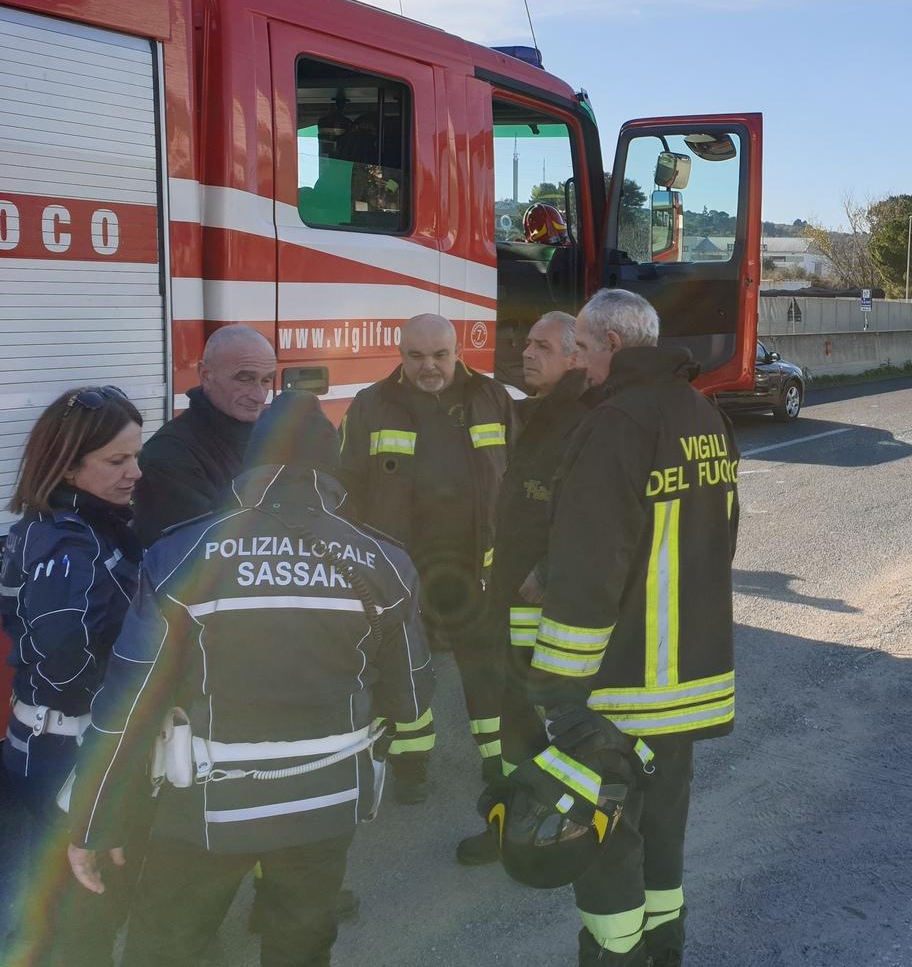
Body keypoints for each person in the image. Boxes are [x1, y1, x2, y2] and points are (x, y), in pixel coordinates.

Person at [64, 389, 434, 967]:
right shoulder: (385, 561)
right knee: (300, 950)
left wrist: (94, 820)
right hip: (325, 807)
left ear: (252, 460)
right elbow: (410, 698)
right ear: (332, 464)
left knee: (164, 951)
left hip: (203, 811)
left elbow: (129, 704)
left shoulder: (181, 553)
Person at [520, 289, 740, 966]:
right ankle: (665, 947)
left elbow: (590, 567)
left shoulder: (615, 423)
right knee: (664, 833)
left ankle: (613, 954)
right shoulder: (702, 413)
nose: (578, 363)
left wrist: (558, 687)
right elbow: (717, 539)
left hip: (622, 689)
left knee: (605, 840)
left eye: (583, 348)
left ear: (612, 346)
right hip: (690, 681)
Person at [338, 313, 515, 804]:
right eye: (416, 356)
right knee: (406, 668)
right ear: (401, 355)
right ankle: (410, 765)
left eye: (439, 355)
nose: (428, 367)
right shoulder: (372, 404)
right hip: (403, 572)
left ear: (458, 352)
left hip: (475, 567)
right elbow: (346, 485)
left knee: (485, 668)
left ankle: (498, 759)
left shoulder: (491, 397)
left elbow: (519, 475)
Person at [1, 385, 144, 965]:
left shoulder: (60, 527)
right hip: (68, 750)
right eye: (117, 460)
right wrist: (128, 695)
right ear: (66, 466)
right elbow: (63, 659)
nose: (135, 472)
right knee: (80, 914)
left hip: (44, 744)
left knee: (47, 905)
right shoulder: (68, 544)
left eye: (137, 455)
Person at [455, 311, 587, 866]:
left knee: (545, 722)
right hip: (510, 597)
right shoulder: (535, 412)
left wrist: (548, 573)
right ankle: (513, 823)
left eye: (543, 347)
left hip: (543, 609)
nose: (527, 353)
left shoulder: (584, 420)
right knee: (515, 717)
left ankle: (550, 826)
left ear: (576, 357)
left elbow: (595, 515)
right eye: (528, 343)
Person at [133, 324, 277, 545]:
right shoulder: (170, 453)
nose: (259, 395)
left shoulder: (273, 436)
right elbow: (208, 546)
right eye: (245, 379)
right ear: (206, 375)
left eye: (266, 380)